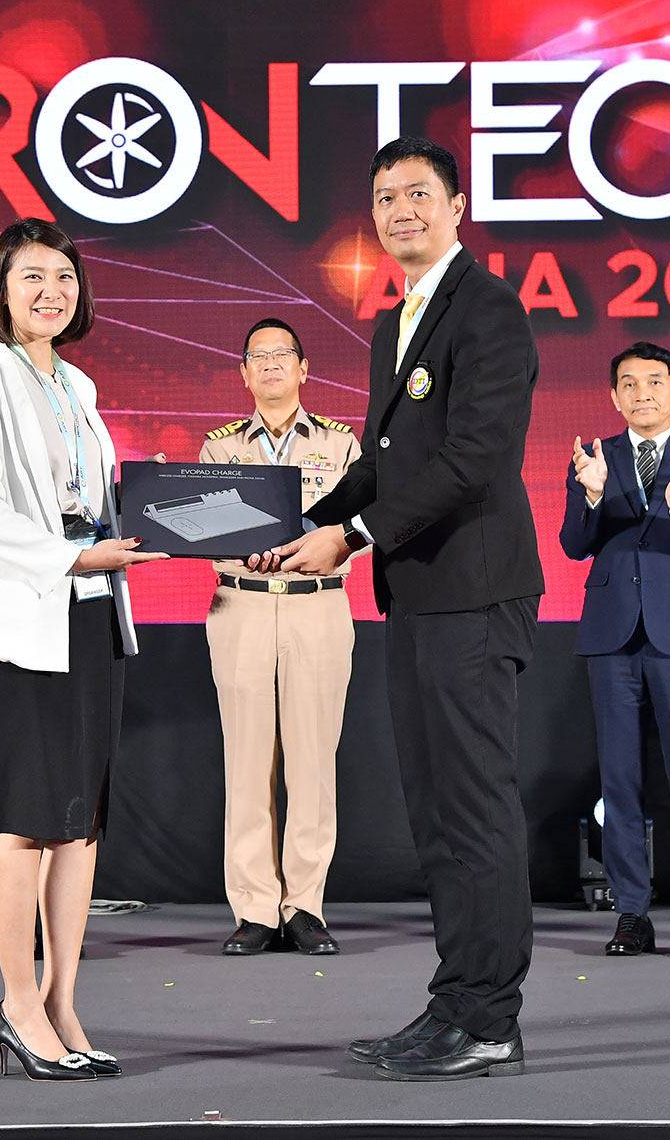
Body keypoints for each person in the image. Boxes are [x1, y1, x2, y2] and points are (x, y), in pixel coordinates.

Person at [253, 136, 544, 1081]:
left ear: (457, 206)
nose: (401, 210)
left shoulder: (489, 309)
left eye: (419, 193)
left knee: (476, 807)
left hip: (475, 592)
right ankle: (456, 1000)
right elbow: (386, 464)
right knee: (437, 812)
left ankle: (490, 1015)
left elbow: (474, 458)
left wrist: (352, 535)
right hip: (417, 595)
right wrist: (301, 522)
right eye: (385, 198)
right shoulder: (397, 322)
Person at [0, 219, 166, 1080]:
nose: (51, 292)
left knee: (78, 827)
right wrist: (73, 556)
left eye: (64, 277)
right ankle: (17, 1003)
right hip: (21, 623)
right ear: (1, 288)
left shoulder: (79, 385)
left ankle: (63, 1000)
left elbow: (94, 501)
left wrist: (153, 521)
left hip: (92, 617)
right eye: (32, 276)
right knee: (23, 822)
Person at [559, 342, 670, 960]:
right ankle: (631, 912)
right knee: (620, 780)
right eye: (630, 384)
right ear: (614, 396)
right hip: (612, 635)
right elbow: (573, 546)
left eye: (655, 382)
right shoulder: (595, 457)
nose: (643, 393)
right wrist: (590, 497)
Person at [200, 317, 361, 958]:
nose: (270, 364)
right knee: (246, 763)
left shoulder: (341, 444)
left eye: (282, 354)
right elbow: (207, 531)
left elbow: (356, 526)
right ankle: (255, 908)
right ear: (244, 374)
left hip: (316, 606)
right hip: (240, 605)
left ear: (303, 369)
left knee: (313, 762)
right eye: (257, 357)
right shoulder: (218, 449)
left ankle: (305, 906)